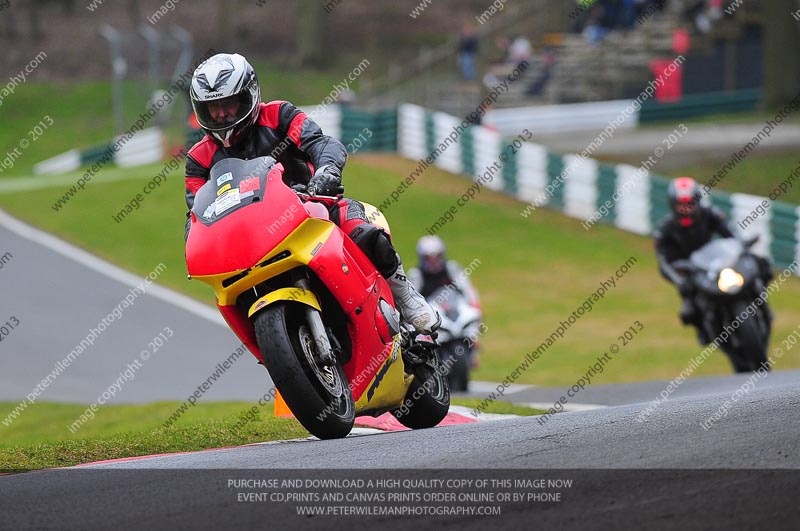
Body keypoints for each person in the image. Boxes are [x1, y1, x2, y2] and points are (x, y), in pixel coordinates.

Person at [183, 53, 440, 334]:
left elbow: (321, 143)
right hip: (250, 240)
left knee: (363, 231)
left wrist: (326, 172)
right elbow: (197, 210)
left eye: (228, 104)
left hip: (310, 207)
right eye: (212, 107)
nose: (221, 114)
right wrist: (194, 240)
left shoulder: (279, 115)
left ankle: (404, 295)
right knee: (232, 294)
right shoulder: (199, 158)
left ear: (249, 95)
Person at [654, 177, 771, 344]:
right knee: (689, 309)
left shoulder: (710, 214)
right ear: (673, 204)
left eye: (690, 203)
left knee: (759, 264)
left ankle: (763, 303)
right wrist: (678, 278)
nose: (686, 209)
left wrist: (741, 244)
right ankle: (704, 331)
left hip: (717, 261)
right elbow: (663, 261)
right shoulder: (665, 229)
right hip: (692, 270)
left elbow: (730, 233)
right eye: (682, 204)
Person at [409, 236, 481, 310]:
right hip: (432, 314)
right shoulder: (416, 275)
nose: (434, 262)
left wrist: (475, 305)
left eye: (437, 256)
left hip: (458, 310)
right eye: (429, 258)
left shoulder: (452, 268)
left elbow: (467, 288)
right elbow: (412, 299)